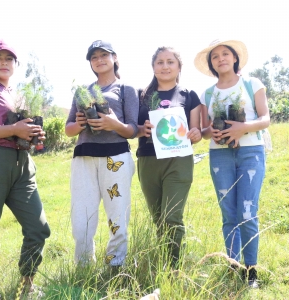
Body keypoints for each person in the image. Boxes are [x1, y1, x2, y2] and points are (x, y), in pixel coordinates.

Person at [194, 39, 270, 288]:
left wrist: (242, 128)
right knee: (228, 214)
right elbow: (205, 129)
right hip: (220, 155)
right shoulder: (208, 93)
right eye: (215, 56)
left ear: (235, 58)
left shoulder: (252, 84)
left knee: (247, 212)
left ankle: (251, 271)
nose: (221, 59)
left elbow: (265, 118)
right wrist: (210, 133)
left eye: (225, 54)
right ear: (211, 64)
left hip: (251, 152)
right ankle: (232, 266)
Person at [65, 40, 139, 268]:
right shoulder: (82, 92)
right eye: (94, 57)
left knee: (117, 218)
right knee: (81, 219)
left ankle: (115, 267)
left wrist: (114, 124)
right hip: (84, 158)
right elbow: (68, 130)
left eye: (104, 55)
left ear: (114, 58)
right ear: (90, 63)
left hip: (115, 158)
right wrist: (78, 124)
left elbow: (133, 130)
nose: (99, 60)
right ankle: (83, 268)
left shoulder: (126, 89)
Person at [0, 40, 50, 299]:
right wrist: (12, 130)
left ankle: (27, 284)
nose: (4, 62)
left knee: (38, 228)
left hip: (23, 165)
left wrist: (33, 136)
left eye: (9, 58)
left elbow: (22, 130)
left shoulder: (19, 94)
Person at [136, 46, 201, 268]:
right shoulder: (141, 95)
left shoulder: (189, 96)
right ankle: (163, 263)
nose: (165, 66)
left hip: (179, 161)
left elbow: (196, 132)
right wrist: (140, 129)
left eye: (170, 62)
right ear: (153, 67)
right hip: (148, 160)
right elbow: (132, 128)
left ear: (179, 66)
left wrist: (195, 133)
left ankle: (175, 269)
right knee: (158, 219)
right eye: (160, 62)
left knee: (172, 217)